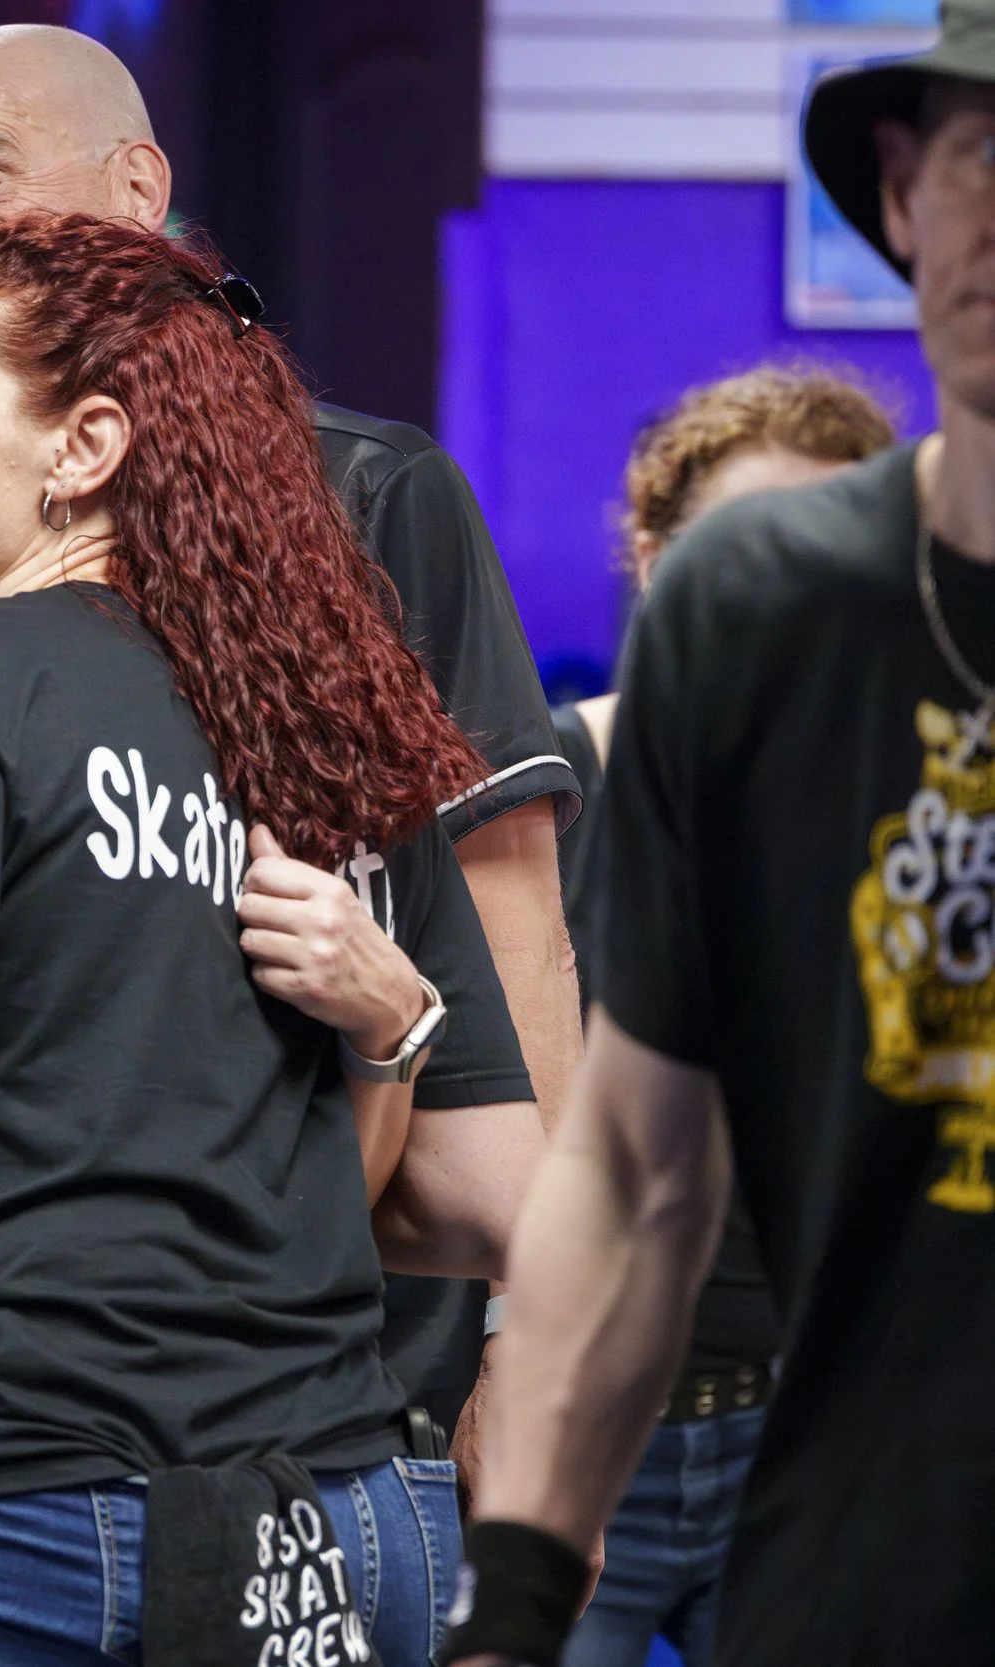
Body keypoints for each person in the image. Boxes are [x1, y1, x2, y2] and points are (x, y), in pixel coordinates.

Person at [0, 213, 542, 1667]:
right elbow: (499, 1201)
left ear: (86, 447)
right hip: (344, 1527)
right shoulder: (331, 732)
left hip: (32, 1522)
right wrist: (396, 1030)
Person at [0, 23, 583, 1477]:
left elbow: (515, 930)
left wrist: (533, 1344)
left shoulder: (373, 496)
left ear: (137, 185)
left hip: (353, 1380)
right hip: (5, 1398)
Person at [455, 11, 995, 1665]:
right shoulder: (761, 620)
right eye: (984, 159)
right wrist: (521, 1600)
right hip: (854, 1577)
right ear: (902, 193)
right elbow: (631, 1163)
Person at [548, 365, 894, 1667]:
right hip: (583, 1423)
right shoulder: (545, 787)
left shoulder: (913, 810)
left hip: (809, 1429)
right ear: (651, 551)